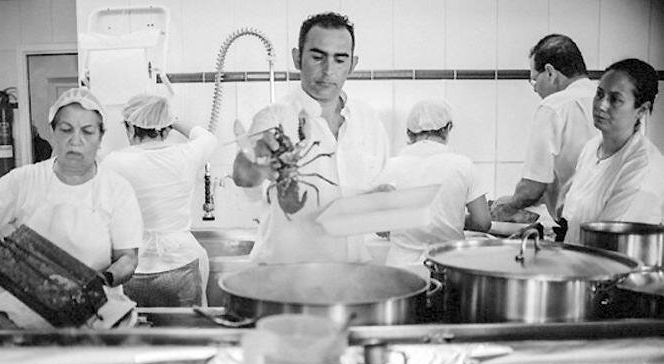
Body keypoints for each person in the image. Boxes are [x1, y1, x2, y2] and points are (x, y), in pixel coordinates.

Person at [0, 87, 143, 327]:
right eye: (66, 130)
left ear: (100, 138)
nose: (76, 140)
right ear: (52, 132)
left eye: (87, 131)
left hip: (95, 310)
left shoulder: (117, 189)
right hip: (23, 309)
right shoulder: (25, 179)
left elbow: (127, 258)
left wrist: (101, 280)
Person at [232, 11, 388, 264]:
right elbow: (244, 178)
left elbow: (374, 191)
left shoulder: (369, 119)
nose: (328, 70)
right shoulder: (273, 118)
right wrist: (256, 156)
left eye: (340, 59)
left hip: (351, 272)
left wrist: (381, 202)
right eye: (317, 57)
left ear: (353, 64)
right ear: (297, 58)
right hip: (283, 273)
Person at [101, 94, 218, 307]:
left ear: (129, 128)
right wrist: (172, 120)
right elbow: (208, 137)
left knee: (137, 334)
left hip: (133, 269)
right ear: (166, 129)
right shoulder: (185, 155)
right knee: (184, 336)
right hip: (181, 264)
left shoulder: (113, 162)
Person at [491, 34, 597, 226]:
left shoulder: (554, 106)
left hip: (581, 227)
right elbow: (576, 176)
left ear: (550, 72)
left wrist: (508, 207)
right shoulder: (607, 100)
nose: (534, 89)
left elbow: (533, 187)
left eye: (533, 80)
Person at [379, 99, 491, 278]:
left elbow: (380, 226)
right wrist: (452, 218)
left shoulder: (390, 167)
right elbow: (483, 223)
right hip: (448, 267)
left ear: (408, 133)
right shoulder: (463, 165)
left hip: (401, 271)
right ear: (447, 129)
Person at [562, 58, 664, 244]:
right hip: (575, 263)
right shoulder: (592, 148)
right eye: (600, 94)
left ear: (642, 110)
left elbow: (610, 244)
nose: (601, 105)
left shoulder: (644, 168)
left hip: (610, 268)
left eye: (615, 99)